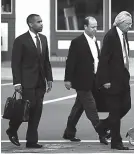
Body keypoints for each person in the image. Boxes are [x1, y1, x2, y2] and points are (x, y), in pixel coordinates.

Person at [7, 14, 53, 148]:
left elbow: (46, 61)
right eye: (38, 22)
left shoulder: (43, 39)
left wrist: (49, 78)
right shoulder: (20, 40)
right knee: (25, 110)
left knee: (37, 111)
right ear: (31, 24)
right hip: (27, 82)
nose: (41, 24)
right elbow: (15, 63)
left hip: (40, 82)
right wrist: (17, 82)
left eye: (42, 21)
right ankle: (12, 129)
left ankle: (31, 141)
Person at [63, 16, 108, 145]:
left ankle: (69, 132)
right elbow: (70, 62)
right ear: (85, 27)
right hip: (81, 80)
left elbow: (97, 60)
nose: (95, 29)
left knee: (78, 107)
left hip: (94, 79)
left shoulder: (95, 41)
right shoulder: (77, 42)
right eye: (92, 27)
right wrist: (67, 79)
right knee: (91, 107)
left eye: (96, 27)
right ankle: (102, 133)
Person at [95, 11, 132, 150]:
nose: (130, 26)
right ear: (121, 23)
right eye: (128, 24)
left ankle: (102, 126)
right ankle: (116, 142)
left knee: (126, 105)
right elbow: (103, 60)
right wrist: (104, 80)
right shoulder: (110, 36)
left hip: (123, 77)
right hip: (111, 79)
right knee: (115, 112)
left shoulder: (124, 34)